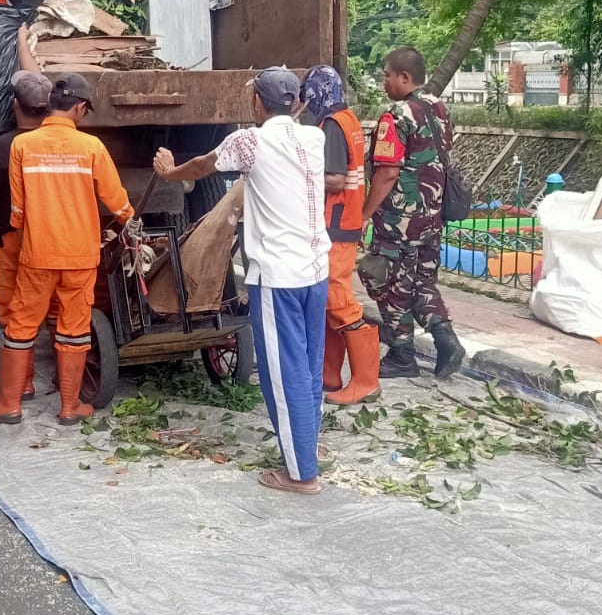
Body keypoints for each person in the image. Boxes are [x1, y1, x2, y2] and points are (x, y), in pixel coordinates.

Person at [154, 67, 329, 495]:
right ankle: (305, 448)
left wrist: (170, 172)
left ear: (256, 103)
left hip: (278, 275)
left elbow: (205, 165)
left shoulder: (248, 141)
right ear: (297, 102)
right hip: (315, 268)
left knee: (282, 373)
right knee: (307, 366)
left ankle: (301, 474)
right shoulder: (315, 138)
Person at [0, 73, 134, 427]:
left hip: (37, 254)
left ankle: (10, 404)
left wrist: (26, 231)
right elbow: (115, 198)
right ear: (79, 108)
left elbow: (17, 210)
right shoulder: (92, 147)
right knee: (73, 327)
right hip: (80, 255)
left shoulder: (21, 146)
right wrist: (129, 221)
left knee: (21, 324)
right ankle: (69, 406)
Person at [360, 46, 465, 378]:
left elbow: (388, 172)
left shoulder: (396, 116)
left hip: (399, 222)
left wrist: (364, 214)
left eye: (387, 75)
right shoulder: (439, 109)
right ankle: (446, 340)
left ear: (404, 77)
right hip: (433, 219)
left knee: (385, 279)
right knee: (422, 281)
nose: (384, 82)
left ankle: (402, 355)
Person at [300, 65, 380, 406]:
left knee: (337, 299)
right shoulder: (348, 119)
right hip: (345, 220)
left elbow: (333, 179)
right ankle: (329, 375)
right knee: (328, 300)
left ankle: (366, 381)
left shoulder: (331, 126)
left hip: (336, 221)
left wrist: (300, 174)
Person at [0, 66, 52, 393]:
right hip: (53, 238)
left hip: (13, 237)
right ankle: (72, 385)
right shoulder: (67, 143)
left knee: (13, 310)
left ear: (15, 105)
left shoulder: (3, 146)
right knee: (59, 309)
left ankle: (21, 384)